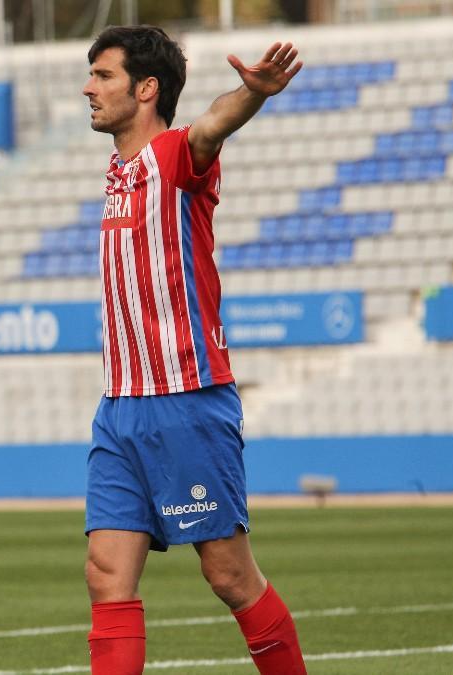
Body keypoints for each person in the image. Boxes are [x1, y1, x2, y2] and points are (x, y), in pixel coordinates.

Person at [81, 26, 307, 674]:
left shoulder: (177, 155)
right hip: (120, 407)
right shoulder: (119, 170)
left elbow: (211, 125)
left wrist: (252, 95)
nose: (88, 87)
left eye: (103, 75)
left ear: (146, 89)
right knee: (105, 575)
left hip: (185, 398)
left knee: (230, 574)